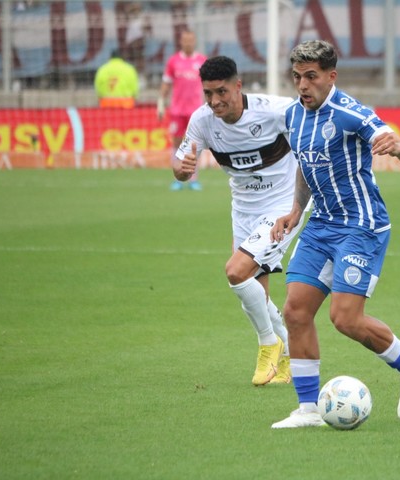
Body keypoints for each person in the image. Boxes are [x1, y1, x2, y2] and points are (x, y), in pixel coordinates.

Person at [269, 40, 400, 429]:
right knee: (295, 311)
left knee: (345, 319)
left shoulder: (352, 113)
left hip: (360, 226)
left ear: (331, 76)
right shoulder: (293, 116)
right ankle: (308, 409)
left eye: (311, 76)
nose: (302, 85)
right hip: (321, 224)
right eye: (297, 77)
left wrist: (399, 148)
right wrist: (295, 210)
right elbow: (306, 166)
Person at [172, 55, 301, 386]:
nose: (215, 101)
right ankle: (290, 354)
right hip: (243, 210)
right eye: (208, 94)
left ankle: (268, 344)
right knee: (253, 292)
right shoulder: (202, 120)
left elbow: (312, 130)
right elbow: (180, 161)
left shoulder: (275, 110)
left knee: (235, 271)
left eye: (222, 92)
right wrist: (181, 170)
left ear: (238, 86)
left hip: (282, 208)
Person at [159, 29, 206, 191]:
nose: (188, 43)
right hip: (177, 110)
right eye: (185, 40)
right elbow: (166, 83)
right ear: (181, 41)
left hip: (196, 111)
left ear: (195, 41)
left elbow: (209, 85)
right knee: (177, 143)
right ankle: (177, 179)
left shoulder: (201, 60)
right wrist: (160, 102)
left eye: (190, 40)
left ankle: (193, 179)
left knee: (194, 145)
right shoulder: (173, 61)